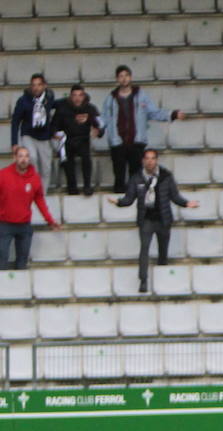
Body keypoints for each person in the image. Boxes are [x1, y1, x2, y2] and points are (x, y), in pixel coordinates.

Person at [108, 148, 199, 293]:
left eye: (152, 158)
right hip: (146, 218)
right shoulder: (137, 178)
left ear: (156, 160)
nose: (150, 161)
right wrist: (118, 202)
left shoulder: (166, 176)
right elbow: (129, 198)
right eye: (147, 158)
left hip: (163, 218)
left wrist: (186, 203)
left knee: (163, 251)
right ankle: (143, 280)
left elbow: (175, 196)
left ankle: (163, 278)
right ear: (143, 161)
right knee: (144, 248)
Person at [100, 66, 185, 195]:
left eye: (126, 75)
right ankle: (119, 199)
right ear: (117, 79)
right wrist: (97, 128)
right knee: (119, 174)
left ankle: (135, 199)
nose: (124, 78)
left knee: (136, 174)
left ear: (130, 77)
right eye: (121, 76)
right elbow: (104, 117)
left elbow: (154, 112)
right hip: (117, 140)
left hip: (137, 140)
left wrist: (172, 114)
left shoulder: (141, 96)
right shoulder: (111, 98)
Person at [0, 145, 61, 270]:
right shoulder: (3, 175)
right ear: (14, 158)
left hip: (24, 225)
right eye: (21, 156)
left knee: (22, 262)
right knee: (2, 260)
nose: (24, 159)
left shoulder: (34, 178)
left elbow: (40, 201)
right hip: (4, 224)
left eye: (26, 156)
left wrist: (50, 220)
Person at [51, 85, 103, 197]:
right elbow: (54, 125)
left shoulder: (90, 108)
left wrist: (98, 131)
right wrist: (54, 133)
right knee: (67, 160)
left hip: (83, 139)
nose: (77, 98)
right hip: (67, 140)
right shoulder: (62, 108)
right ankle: (72, 187)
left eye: (80, 95)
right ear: (70, 96)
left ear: (84, 96)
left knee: (86, 157)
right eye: (74, 95)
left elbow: (100, 124)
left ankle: (87, 186)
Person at [10, 74, 57, 190]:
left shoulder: (49, 98)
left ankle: (42, 193)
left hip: (44, 136)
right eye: (33, 85)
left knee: (46, 168)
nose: (36, 88)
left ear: (44, 86)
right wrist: (14, 142)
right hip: (28, 134)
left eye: (39, 85)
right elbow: (15, 121)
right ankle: (32, 191)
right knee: (32, 158)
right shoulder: (23, 100)